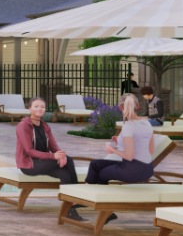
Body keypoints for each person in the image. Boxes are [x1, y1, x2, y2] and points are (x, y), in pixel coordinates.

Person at [83, 94, 157, 226]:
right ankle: (87, 196)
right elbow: (151, 150)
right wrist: (120, 141)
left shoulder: (128, 126)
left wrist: (112, 150)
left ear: (120, 108)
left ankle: (104, 210)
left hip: (133, 170)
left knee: (101, 174)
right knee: (95, 164)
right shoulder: (147, 123)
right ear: (138, 106)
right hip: (146, 168)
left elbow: (129, 156)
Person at [16, 98, 79, 218]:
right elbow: (29, 151)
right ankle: (77, 198)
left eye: (42, 107)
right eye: (36, 106)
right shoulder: (23, 126)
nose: (40, 109)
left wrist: (60, 154)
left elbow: (53, 145)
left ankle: (69, 210)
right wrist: (54, 156)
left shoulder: (45, 126)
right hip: (30, 165)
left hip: (44, 163)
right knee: (69, 161)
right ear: (29, 108)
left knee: (65, 174)